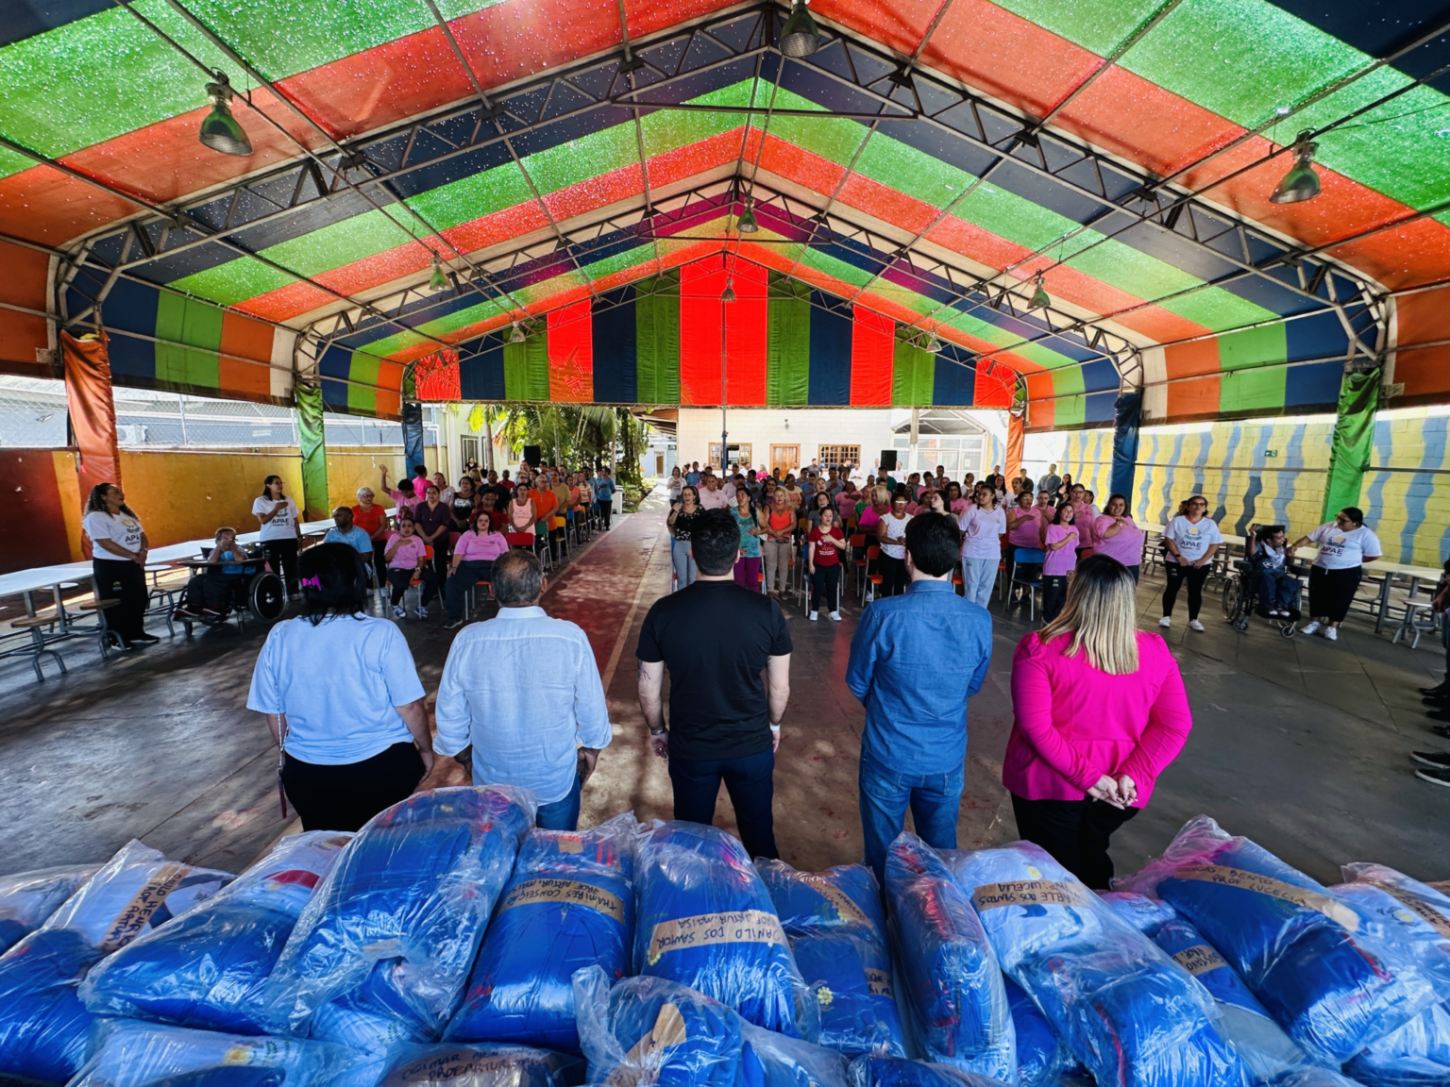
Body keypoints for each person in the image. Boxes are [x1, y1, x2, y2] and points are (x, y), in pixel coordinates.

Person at [1005, 555, 1192, 888]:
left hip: (1051, 784)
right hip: (1120, 790)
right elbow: (1173, 726)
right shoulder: (1154, 650)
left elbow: (1037, 728)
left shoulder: (1040, 647)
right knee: (1092, 856)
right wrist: (1132, 775)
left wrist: (1088, 778)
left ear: (1076, 593)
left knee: (1054, 878)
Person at [637, 511, 792, 859]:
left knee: (691, 846)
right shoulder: (767, 611)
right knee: (760, 840)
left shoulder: (663, 612)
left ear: (691, 552)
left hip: (692, 748)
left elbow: (648, 689)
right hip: (751, 745)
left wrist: (659, 730)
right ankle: (766, 906)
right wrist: (773, 724)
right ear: (738, 555)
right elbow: (779, 688)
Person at [247, 542, 431, 832]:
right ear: (355, 582)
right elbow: (409, 706)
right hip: (382, 770)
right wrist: (425, 750)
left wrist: (288, 757)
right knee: (383, 850)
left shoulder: (280, 635)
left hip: (308, 775)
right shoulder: (381, 633)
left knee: (328, 853)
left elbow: (275, 714)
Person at [846, 512, 992, 879]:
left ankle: (885, 921)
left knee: (882, 860)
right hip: (945, 755)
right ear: (957, 557)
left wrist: (888, 707)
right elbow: (972, 684)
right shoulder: (978, 619)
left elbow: (857, 680)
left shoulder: (882, 614)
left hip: (888, 752)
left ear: (907, 557)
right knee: (941, 859)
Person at [426, 551, 612, 829]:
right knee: (553, 863)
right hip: (554, 782)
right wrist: (591, 751)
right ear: (543, 585)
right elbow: (592, 711)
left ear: (492, 590)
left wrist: (467, 760)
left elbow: (450, 723)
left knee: (502, 861)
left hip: (493, 785)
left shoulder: (467, 640)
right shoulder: (570, 638)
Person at [82, 483, 159, 648]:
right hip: (112, 566)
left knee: (138, 597)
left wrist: (143, 552)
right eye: (115, 492)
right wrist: (132, 555)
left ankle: (136, 632)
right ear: (103, 496)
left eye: (120, 491)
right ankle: (117, 637)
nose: (120, 494)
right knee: (117, 602)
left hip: (133, 563)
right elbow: (105, 543)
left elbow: (141, 536)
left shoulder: (126, 516)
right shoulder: (96, 517)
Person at [1291, 507, 1382, 641]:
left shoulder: (1366, 534)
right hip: (1320, 568)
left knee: (1341, 599)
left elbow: (1373, 555)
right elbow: (1309, 538)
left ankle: (1332, 626)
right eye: (1338, 517)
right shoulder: (1328, 527)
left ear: (1355, 523)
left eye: (1343, 520)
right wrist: (1296, 545)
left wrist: (1353, 559)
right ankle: (1314, 622)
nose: (1339, 522)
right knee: (1316, 596)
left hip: (1347, 571)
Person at [1160, 495, 1221, 631]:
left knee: (1195, 591)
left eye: (1201, 504)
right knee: (1172, 588)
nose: (1198, 507)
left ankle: (1193, 619)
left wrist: (1203, 560)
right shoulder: (1177, 521)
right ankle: (1166, 616)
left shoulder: (1210, 524)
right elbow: (1168, 539)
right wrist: (1178, 556)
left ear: (1205, 508)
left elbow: (1215, 544)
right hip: (1176, 562)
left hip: (1199, 564)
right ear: (1188, 506)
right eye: (1194, 504)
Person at [444, 510, 510, 628]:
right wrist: (453, 567)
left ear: (490, 522)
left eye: (486, 521)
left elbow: (505, 554)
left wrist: (506, 568)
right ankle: (455, 617)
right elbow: (458, 552)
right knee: (451, 584)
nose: (483, 523)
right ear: (476, 522)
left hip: (492, 567)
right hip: (469, 568)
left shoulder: (497, 535)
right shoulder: (467, 535)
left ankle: (510, 615)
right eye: (480, 520)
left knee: (508, 582)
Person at [176, 527, 251, 619]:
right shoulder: (215, 551)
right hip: (222, 573)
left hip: (238, 573)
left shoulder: (239, 549)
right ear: (218, 540)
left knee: (210, 580)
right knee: (196, 580)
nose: (230, 540)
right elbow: (211, 563)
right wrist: (219, 548)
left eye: (232, 538)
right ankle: (195, 606)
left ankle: (217, 607)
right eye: (226, 538)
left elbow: (240, 560)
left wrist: (234, 548)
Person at [959, 482, 1006, 609]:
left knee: (986, 585)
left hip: (992, 553)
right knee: (971, 584)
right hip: (972, 551)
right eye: (979, 494)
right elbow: (961, 529)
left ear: (992, 496)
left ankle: (981, 612)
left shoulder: (1000, 511)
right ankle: (969, 611)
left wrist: (987, 540)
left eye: (984, 494)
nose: (980, 496)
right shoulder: (971, 510)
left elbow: (1000, 532)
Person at [254, 475, 302, 597]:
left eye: (281, 482)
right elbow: (263, 520)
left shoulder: (289, 500)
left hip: (288, 537)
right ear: (268, 485)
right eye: (276, 483)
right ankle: (276, 593)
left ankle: (293, 591)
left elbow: (295, 520)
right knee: (272, 567)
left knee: (291, 566)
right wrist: (276, 509)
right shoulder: (261, 501)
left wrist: (299, 536)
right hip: (270, 538)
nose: (280, 485)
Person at [384, 515, 437, 620]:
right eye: (403, 526)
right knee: (401, 583)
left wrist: (417, 570)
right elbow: (387, 558)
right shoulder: (393, 538)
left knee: (434, 579)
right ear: (400, 527)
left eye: (409, 526)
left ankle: (421, 606)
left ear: (413, 528)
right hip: (396, 568)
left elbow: (421, 560)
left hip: (414, 567)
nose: (406, 528)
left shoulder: (417, 540)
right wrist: (398, 544)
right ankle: (394, 604)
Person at [1245, 523, 1297, 618]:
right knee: (1267, 579)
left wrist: (1290, 556)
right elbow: (1251, 552)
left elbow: (1289, 563)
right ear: (1269, 540)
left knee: (1289, 581)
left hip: (1278, 575)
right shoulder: (1260, 545)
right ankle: (1267, 606)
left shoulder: (1282, 549)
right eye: (1279, 538)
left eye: (1283, 537)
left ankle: (1281, 606)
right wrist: (1253, 536)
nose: (1282, 540)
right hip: (1261, 575)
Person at [1093, 494, 1144, 581]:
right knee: (1111, 592)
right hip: (1112, 563)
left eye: (1121, 505)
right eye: (1114, 504)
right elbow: (1105, 535)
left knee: (1128, 592)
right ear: (1109, 505)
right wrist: (1118, 524)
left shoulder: (1128, 518)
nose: (1117, 508)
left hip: (1132, 562)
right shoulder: (1102, 519)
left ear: (1125, 507)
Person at [808, 506, 846, 622]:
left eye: (830, 515)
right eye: (826, 515)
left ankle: (833, 611)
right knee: (817, 588)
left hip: (833, 565)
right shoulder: (814, 531)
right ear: (820, 516)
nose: (828, 518)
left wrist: (832, 539)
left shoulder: (837, 531)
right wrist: (811, 564)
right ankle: (814, 610)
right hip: (818, 565)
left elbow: (843, 546)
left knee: (832, 588)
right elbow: (811, 548)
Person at [1042, 504, 1078, 623]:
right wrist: (1069, 538)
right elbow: (1054, 546)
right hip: (1054, 567)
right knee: (1052, 595)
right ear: (1059, 512)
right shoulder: (1053, 527)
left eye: (1071, 511)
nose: (1068, 513)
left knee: (1063, 596)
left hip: (1068, 568)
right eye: (1065, 510)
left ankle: (1057, 620)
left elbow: (1073, 549)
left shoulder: (1074, 529)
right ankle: (1048, 619)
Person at [414, 483, 453, 592]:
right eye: (429, 493)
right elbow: (417, 523)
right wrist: (425, 537)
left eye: (434, 493)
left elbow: (444, 524)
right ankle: (431, 588)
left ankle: (442, 587)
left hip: (440, 538)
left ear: (438, 494)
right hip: (423, 539)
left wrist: (432, 538)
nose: (431, 495)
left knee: (440, 563)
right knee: (427, 563)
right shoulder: (420, 506)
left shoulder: (444, 507)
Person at [351, 485, 389, 589]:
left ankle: (383, 585)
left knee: (379, 562)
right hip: (360, 541)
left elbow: (383, 526)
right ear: (359, 497)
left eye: (371, 495)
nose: (369, 497)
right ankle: (368, 587)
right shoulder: (353, 509)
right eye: (366, 495)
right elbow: (351, 526)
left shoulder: (378, 508)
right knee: (365, 563)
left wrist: (371, 537)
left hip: (378, 539)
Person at [761, 489, 796, 597]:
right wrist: (775, 534)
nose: (779, 497)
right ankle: (770, 590)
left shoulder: (790, 508)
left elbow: (794, 524)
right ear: (773, 496)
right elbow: (764, 524)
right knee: (771, 565)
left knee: (783, 566)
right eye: (777, 495)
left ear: (785, 496)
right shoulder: (768, 507)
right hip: (771, 538)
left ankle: (782, 589)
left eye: (781, 495)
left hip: (785, 539)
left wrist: (781, 532)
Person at [668, 485, 704, 589]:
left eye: (689, 494)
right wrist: (675, 511)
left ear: (694, 496)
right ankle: (681, 602)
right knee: (682, 578)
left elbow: (706, 525)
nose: (687, 497)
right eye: (685, 495)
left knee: (693, 578)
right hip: (680, 546)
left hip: (695, 546)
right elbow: (670, 523)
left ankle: (692, 603)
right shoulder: (677, 508)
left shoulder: (700, 510)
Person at [877, 494, 913, 598]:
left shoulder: (911, 518)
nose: (901, 505)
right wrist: (897, 542)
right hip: (888, 554)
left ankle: (898, 607)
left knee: (900, 584)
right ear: (892, 504)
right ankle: (886, 608)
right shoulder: (885, 518)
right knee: (888, 583)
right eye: (898, 502)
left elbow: (914, 535)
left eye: (903, 503)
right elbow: (880, 537)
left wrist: (906, 540)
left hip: (904, 556)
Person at [732, 487, 765, 591]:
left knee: (753, 582)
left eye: (743, 495)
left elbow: (767, 528)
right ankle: (740, 606)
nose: (740, 498)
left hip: (754, 551)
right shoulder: (732, 512)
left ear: (749, 498)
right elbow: (728, 533)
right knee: (739, 581)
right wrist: (735, 549)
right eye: (738, 495)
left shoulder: (756, 512)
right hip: (738, 552)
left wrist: (759, 531)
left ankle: (755, 605)